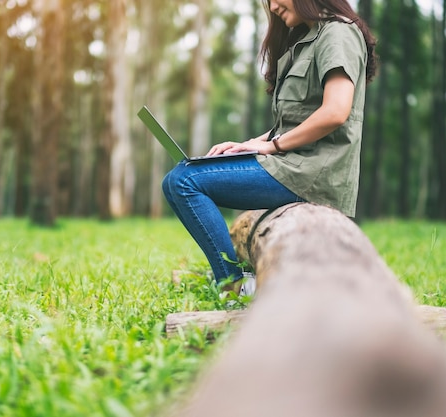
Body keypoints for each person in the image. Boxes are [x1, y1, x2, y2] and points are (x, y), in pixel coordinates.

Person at [162, 0, 378, 296]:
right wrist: (253, 144)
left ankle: (232, 285)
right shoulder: (306, 38)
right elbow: (297, 121)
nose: (273, 7)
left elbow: (335, 112)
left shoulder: (339, 33)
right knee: (176, 179)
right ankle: (234, 280)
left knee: (184, 180)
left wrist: (272, 146)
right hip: (290, 165)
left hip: (312, 174)